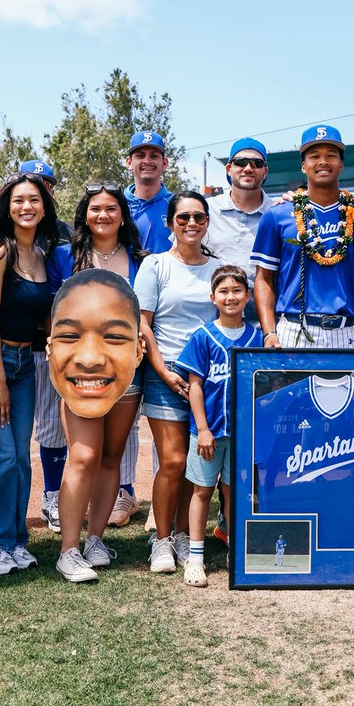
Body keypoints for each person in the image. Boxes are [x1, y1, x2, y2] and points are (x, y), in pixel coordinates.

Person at [46, 185, 149, 583]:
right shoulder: (64, 257)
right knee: (84, 456)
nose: (103, 215)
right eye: (95, 209)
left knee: (112, 458)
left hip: (126, 370)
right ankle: (67, 550)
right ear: (84, 215)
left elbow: (145, 317)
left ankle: (95, 539)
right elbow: (51, 311)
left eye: (111, 208)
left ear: (123, 215)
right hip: (81, 372)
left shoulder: (142, 262)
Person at [0, 171, 60, 575]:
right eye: (19, 200)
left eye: (34, 200)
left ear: (44, 207)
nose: (27, 207)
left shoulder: (42, 253)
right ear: (7, 206)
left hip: (26, 364)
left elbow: (37, 316)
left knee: (21, 457)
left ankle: (16, 540)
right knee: (0, 457)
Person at [135, 191, 220, 573]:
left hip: (210, 374)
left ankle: (186, 535)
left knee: (195, 462)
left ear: (206, 222)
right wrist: (164, 371)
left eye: (198, 217)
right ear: (170, 223)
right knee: (171, 460)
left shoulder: (217, 268)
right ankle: (162, 539)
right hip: (166, 369)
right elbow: (143, 325)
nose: (191, 224)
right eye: (183, 217)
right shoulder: (155, 265)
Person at [251, 125, 354, 350]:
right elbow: (264, 278)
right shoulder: (277, 215)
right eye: (314, 156)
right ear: (303, 166)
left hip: (345, 331)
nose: (323, 161)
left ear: (341, 164)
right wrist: (269, 332)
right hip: (292, 330)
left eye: (331, 156)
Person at [174, 264, 264, 587]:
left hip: (241, 433)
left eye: (237, 290)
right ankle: (195, 556)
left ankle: (235, 549)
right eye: (223, 291)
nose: (230, 297)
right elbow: (195, 385)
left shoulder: (256, 337)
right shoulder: (203, 336)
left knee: (233, 491)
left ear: (248, 296)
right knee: (201, 491)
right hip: (208, 432)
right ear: (212, 297)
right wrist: (203, 428)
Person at [117, 130, 174, 527]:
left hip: (163, 321)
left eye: (155, 154)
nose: (147, 160)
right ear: (130, 162)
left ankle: (161, 496)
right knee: (122, 409)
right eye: (140, 154)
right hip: (119, 318)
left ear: (164, 163)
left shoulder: (178, 206)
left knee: (163, 411)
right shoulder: (117, 204)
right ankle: (123, 492)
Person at [23, 160, 71, 534]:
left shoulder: (65, 233)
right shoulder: (3, 232)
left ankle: (52, 494)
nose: (43, 188)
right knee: (14, 431)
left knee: (53, 425)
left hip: (50, 346)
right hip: (12, 343)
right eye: (35, 182)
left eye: (47, 183)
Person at [204, 138, 270, 324]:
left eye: (256, 163)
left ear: (265, 171)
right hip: (211, 327)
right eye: (240, 162)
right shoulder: (205, 211)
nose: (248, 168)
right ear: (228, 168)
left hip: (262, 330)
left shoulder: (278, 215)